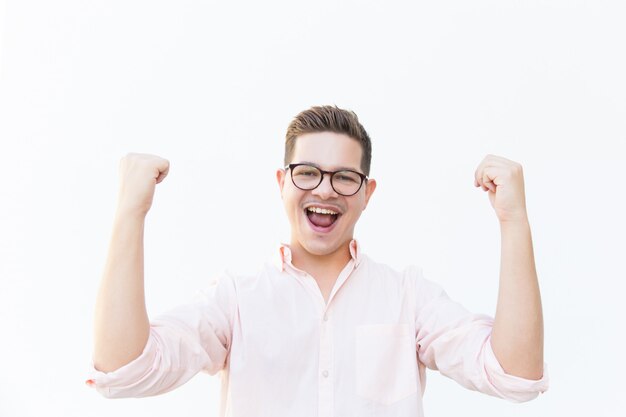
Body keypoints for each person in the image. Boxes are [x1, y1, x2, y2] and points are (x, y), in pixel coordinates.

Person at [87, 105, 548, 416]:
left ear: (367, 194)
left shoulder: (408, 297)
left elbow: (514, 376)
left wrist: (513, 220)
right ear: (281, 183)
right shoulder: (236, 301)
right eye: (307, 172)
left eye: (345, 177)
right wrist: (131, 211)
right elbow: (124, 371)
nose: (324, 190)